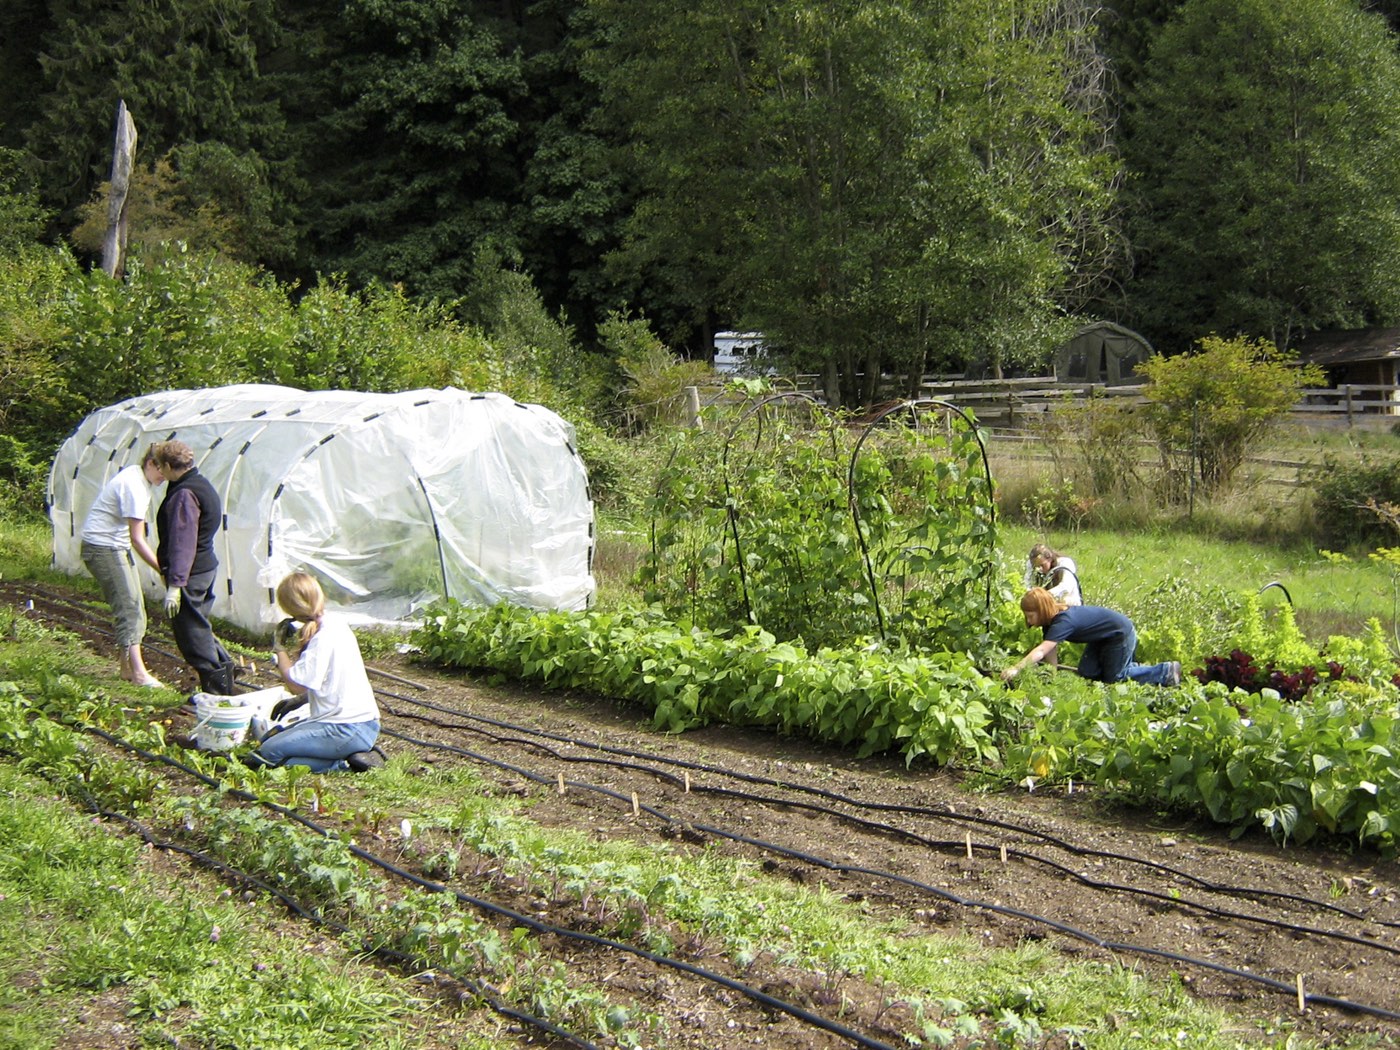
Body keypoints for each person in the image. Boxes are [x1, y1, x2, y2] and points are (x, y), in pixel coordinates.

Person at [248, 571, 383, 773]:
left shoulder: (322, 638)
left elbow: (295, 685)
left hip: (345, 729)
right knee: (272, 738)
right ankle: (352, 755)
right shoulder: (335, 623)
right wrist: (300, 701)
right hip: (362, 724)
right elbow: (327, 681)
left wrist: (280, 649)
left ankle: (345, 765)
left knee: (267, 752)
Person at [79, 445, 167, 687]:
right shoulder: (134, 486)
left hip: (113, 546)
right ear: (150, 464)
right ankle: (138, 672)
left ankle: (126, 669)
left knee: (135, 604)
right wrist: (163, 569)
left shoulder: (138, 477)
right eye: (162, 471)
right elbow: (137, 539)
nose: (164, 477)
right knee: (128, 606)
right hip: (103, 548)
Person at [154, 440, 237, 695]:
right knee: (199, 626)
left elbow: (183, 541)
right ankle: (225, 673)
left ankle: (217, 692)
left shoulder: (184, 494)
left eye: (160, 466)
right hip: (204, 567)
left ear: (169, 465)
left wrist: (176, 584)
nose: (159, 472)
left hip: (190, 572)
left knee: (191, 633)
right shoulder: (200, 483)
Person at [1002, 587, 1180, 687]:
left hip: (1119, 634)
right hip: (1102, 638)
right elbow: (1051, 652)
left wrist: (1016, 668)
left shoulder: (1063, 621)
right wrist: (1051, 678)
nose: (1028, 621)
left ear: (1040, 610)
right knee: (1088, 673)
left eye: (1030, 615)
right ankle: (1131, 667)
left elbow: (1042, 650)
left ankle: (1165, 671)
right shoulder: (1049, 623)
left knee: (1114, 678)